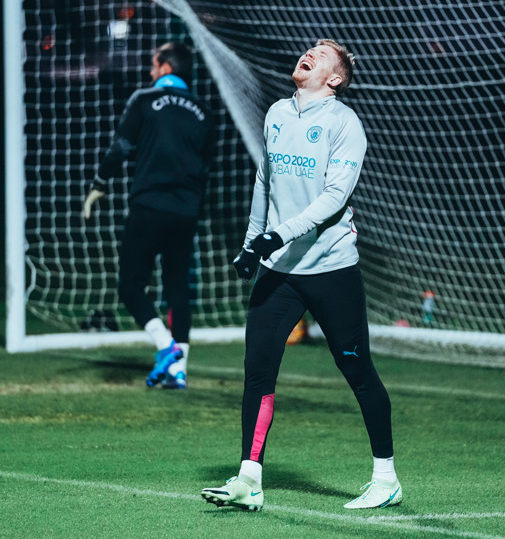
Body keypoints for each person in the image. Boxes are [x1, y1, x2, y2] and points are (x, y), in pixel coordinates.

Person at [201, 39, 400, 511]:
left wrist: (278, 235)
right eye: (310, 48)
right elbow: (264, 181)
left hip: (331, 268)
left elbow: (334, 199)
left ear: (335, 78)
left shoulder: (344, 124)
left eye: (322, 54)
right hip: (279, 271)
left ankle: (386, 479)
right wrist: (253, 242)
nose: (309, 53)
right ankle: (250, 480)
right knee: (258, 370)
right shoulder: (277, 113)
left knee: (357, 371)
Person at [82, 42, 216, 390]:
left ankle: (166, 345)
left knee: (130, 285)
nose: (151, 71)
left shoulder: (145, 99)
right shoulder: (204, 111)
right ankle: (178, 371)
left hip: (149, 206)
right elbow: (206, 167)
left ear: (166, 68)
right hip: (186, 211)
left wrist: (100, 183)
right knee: (177, 289)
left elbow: (121, 147)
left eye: (155, 64)